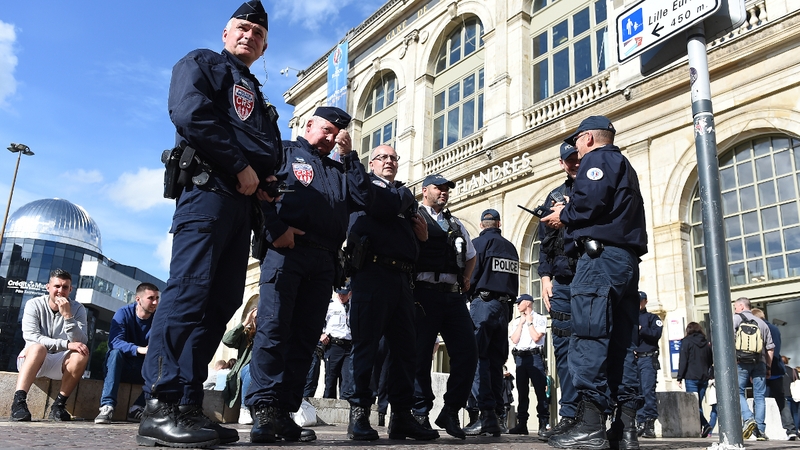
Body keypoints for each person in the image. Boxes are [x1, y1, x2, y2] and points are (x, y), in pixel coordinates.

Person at [138, 1, 281, 447]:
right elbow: (190, 114)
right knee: (189, 292)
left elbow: (268, 149)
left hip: (242, 206)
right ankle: (158, 405)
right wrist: (239, 165)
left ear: (264, 46)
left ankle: (186, 404)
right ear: (225, 33)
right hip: (207, 193)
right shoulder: (201, 63)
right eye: (242, 28)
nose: (249, 36)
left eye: (258, 33)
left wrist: (264, 180)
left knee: (220, 303)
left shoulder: (257, 93)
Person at [245, 105, 371, 444]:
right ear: (309, 124)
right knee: (274, 330)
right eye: (326, 130)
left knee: (305, 339)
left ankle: (285, 412)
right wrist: (275, 229)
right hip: (287, 251)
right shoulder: (285, 152)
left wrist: (350, 157)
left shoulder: (338, 167)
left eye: (337, 134)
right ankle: (265, 410)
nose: (331, 138)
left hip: (324, 260)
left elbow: (362, 198)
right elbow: (260, 191)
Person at [542, 115, 647, 450]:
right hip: (626, 261)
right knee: (620, 345)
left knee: (588, 337)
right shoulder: (624, 163)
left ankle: (589, 427)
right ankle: (625, 429)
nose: (576, 150)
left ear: (587, 138)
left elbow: (589, 203)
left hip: (600, 260)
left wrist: (565, 215)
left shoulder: (598, 159)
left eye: (577, 143)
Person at [346, 145, 437, 441]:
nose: (389, 161)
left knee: (405, 352)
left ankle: (401, 416)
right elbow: (378, 206)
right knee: (366, 347)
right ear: (370, 163)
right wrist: (399, 198)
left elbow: (412, 228)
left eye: (394, 158)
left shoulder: (402, 193)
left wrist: (420, 237)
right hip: (372, 273)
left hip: (402, 278)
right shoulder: (365, 185)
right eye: (383, 157)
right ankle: (359, 413)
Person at [412, 173, 478, 439]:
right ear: (424, 191)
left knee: (468, 353)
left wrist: (466, 277)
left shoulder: (455, 223)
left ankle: (450, 410)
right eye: (438, 188)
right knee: (419, 356)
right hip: (423, 294)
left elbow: (471, 255)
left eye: (446, 189)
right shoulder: (413, 217)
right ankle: (419, 412)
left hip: (452, 296)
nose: (444, 192)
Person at [536, 142, 581, 441]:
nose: (575, 163)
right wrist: (544, 277)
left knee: (594, 348)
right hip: (563, 282)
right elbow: (544, 244)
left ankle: (596, 415)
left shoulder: (597, 187)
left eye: (578, 157)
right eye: (569, 160)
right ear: (562, 163)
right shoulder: (553, 196)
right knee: (563, 351)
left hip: (591, 278)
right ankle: (568, 415)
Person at [463, 208, 519, 437]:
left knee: (477, 359)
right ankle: (495, 415)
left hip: (483, 305)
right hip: (504, 307)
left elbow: (471, 276)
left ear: (481, 224)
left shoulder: (478, 244)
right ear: (499, 223)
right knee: (496, 363)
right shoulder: (511, 248)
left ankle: (485, 415)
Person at [10, 269, 88, 422]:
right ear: (48, 287)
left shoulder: (78, 309)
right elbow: (31, 336)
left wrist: (67, 316)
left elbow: (81, 341)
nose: (60, 291)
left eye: (65, 287)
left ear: (70, 289)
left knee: (81, 353)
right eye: (57, 286)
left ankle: (59, 405)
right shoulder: (34, 304)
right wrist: (66, 344)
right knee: (39, 347)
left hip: (59, 362)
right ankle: (18, 403)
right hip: (32, 358)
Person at [95, 283, 161, 424]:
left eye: (157, 298)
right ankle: (107, 406)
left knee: (164, 361)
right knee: (115, 353)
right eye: (151, 298)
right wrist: (139, 349)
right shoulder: (123, 313)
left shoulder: (159, 318)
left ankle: (137, 407)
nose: (155, 302)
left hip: (144, 369)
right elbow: (114, 341)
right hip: (120, 366)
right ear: (138, 299)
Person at [507, 294, 549, 436]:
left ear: (527, 303)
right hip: (520, 358)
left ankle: (543, 424)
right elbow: (514, 339)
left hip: (535, 356)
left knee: (540, 392)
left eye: (519, 303)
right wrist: (521, 323)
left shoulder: (539, 318)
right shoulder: (517, 321)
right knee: (522, 392)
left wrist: (530, 322)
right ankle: (522, 424)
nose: (517, 305)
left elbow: (537, 337)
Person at [733, 297, 774, 441]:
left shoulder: (736, 319)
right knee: (759, 396)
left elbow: (728, 340)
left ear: (742, 306)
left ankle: (748, 418)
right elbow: (770, 348)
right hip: (760, 362)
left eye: (736, 307)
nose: (735, 310)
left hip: (741, 361)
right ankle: (760, 431)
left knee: (737, 391)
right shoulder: (763, 323)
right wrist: (768, 367)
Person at [752, 308, 796, 440]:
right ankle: (791, 430)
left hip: (762, 369)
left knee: (759, 399)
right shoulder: (775, 329)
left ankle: (759, 429)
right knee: (781, 400)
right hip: (777, 370)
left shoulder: (758, 329)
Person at [676, 321, 715, 438]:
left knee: (694, 404)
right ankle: (702, 427)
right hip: (703, 378)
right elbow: (710, 361)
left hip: (691, 377)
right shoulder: (706, 343)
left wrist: (679, 377)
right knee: (698, 404)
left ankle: (705, 424)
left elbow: (683, 360)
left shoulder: (686, 342)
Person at [635, 291, 663, 438]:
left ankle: (649, 423)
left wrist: (642, 330)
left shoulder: (652, 318)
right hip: (634, 359)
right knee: (636, 392)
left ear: (645, 301)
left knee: (647, 391)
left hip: (647, 358)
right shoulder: (630, 319)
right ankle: (639, 421)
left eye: (640, 301)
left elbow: (656, 334)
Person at [222, 307, 257, 425]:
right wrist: (245, 323)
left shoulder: (269, 335)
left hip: (263, 372)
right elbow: (227, 340)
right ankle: (244, 408)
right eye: (255, 317)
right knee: (251, 369)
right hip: (246, 371)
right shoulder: (246, 335)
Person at [322, 285, 354, 400]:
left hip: (349, 346)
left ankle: (344, 405)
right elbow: (320, 320)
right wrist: (322, 334)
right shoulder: (330, 305)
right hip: (334, 345)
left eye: (344, 294)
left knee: (347, 379)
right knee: (331, 378)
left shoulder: (353, 305)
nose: (342, 296)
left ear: (350, 293)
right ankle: (328, 403)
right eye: (340, 293)